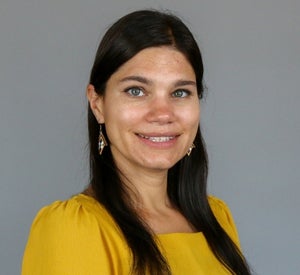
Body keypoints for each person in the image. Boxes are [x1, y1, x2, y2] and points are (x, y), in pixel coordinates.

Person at [22, 10, 251, 275]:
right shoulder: (72, 229)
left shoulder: (217, 219)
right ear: (98, 104)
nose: (163, 113)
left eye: (180, 92)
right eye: (136, 91)